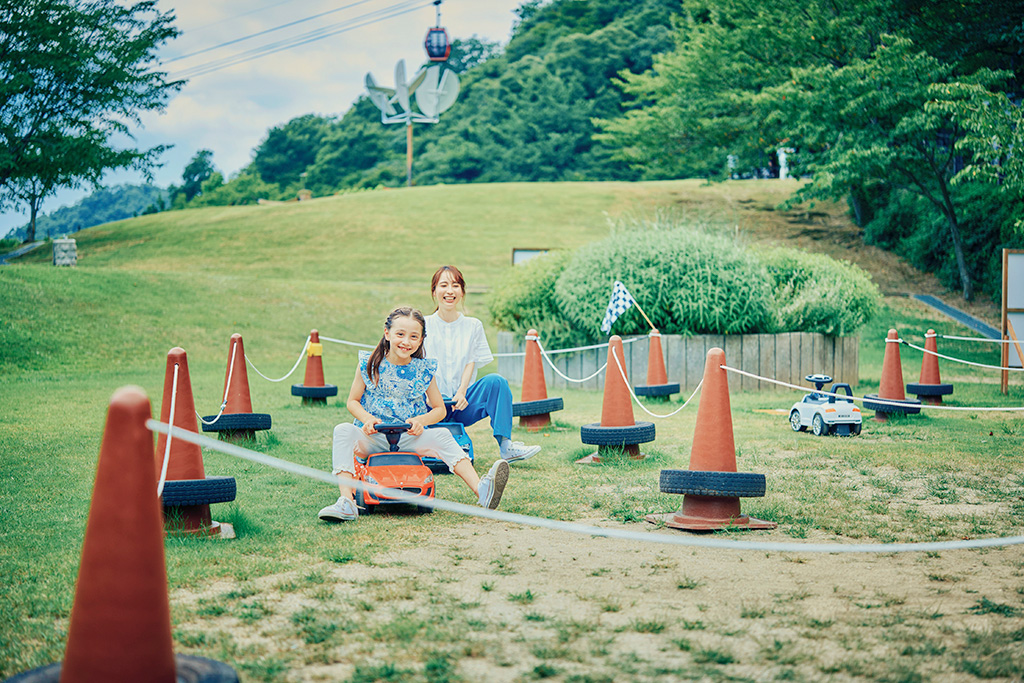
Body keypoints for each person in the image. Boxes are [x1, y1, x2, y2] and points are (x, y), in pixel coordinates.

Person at [318, 306, 509, 522]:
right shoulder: (368, 364)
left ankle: (482, 491)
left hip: (409, 438)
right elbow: (352, 402)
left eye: (413, 336)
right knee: (343, 430)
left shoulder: (424, 370)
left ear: (421, 340)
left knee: (443, 436)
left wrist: (421, 421)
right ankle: (347, 502)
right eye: (400, 334)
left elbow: (439, 409)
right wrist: (367, 419)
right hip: (373, 438)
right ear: (387, 333)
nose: (406, 341)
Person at [423, 265, 541, 464]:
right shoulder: (423, 324)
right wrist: (429, 395)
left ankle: (506, 446)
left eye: (455, 285)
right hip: (429, 405)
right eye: (443, 285)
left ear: (462, 292)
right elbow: (419, 365)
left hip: (462, 404)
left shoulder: (473, 325)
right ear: (434, 291)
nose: (450, 291)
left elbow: (471, 361)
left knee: (497, 381)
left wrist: (461, 392)